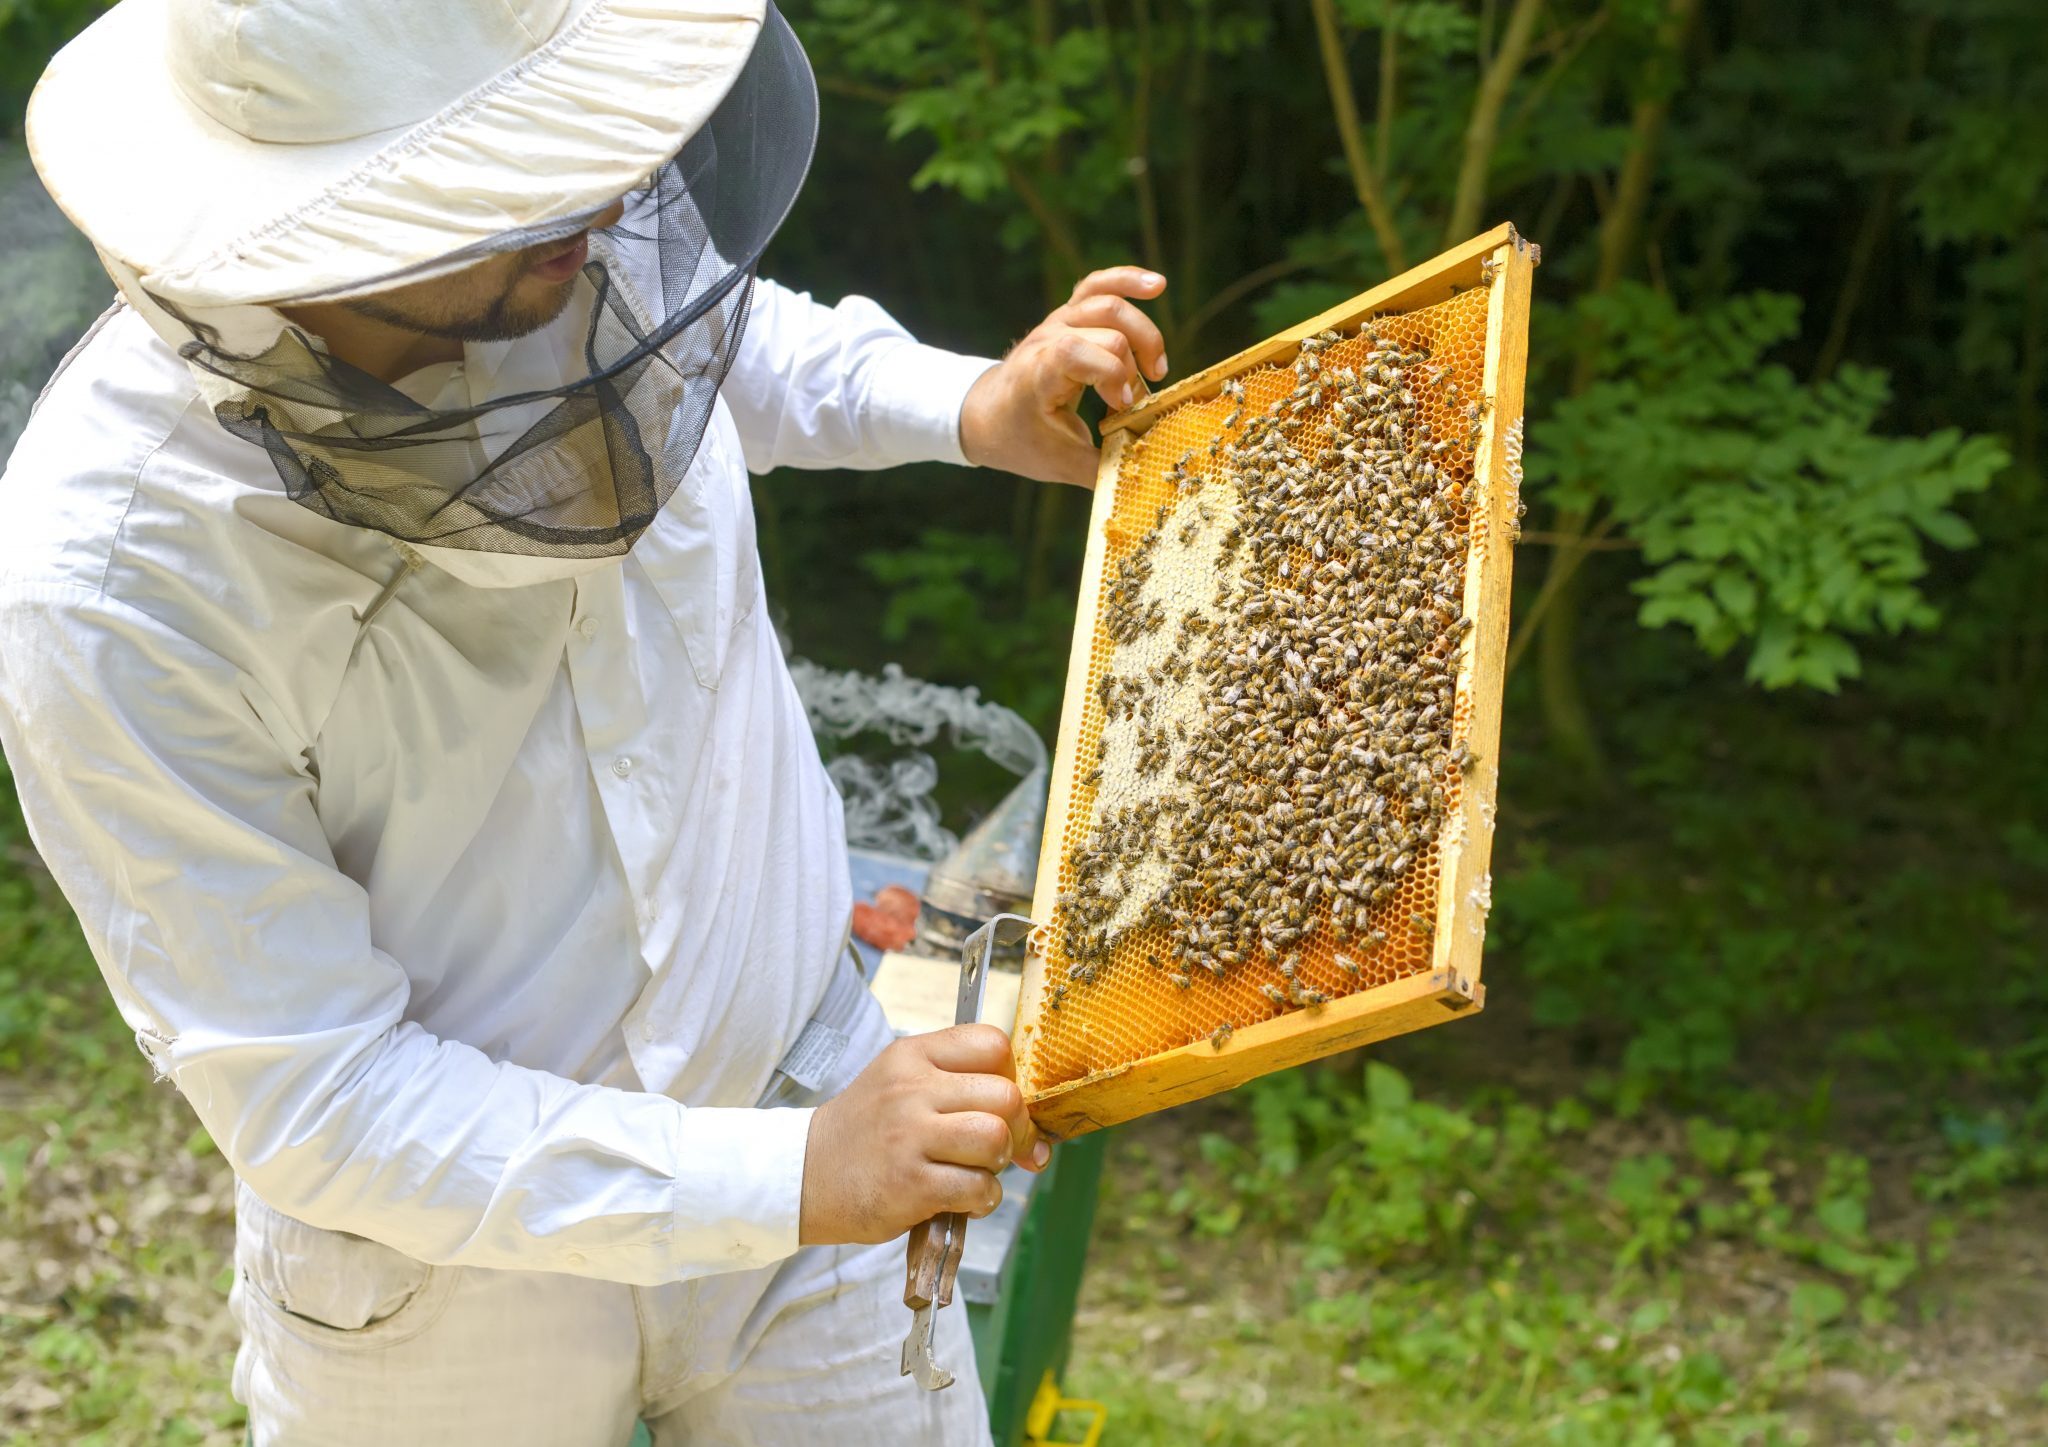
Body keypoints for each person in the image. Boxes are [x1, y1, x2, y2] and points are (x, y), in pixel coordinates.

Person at [0, 1, 1169, 1442]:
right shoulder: (110, 580)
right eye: (518, 182)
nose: (614, 202)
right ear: (335, 231)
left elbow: (719, 335)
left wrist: (970, 403)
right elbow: (319, 1093)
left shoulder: (556, 228)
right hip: (448, 1289)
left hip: (804, 1095)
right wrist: (800, 1173)